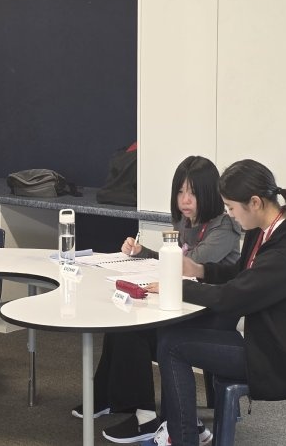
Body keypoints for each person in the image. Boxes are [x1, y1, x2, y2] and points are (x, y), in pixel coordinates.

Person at [148, 159, 286, 446]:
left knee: (172, 345)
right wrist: (201, 270)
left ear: (254, 202)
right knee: (174, 332)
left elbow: (232, 298)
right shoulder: (267, 228)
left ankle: (184, 438)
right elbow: (245, 275)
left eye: (231, 208)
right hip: (269, 336)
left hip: (279, 357)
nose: (230, 215)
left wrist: (177, 288)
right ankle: (182, 430)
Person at [72, 156, 241, 444]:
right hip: (186, 304)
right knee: (121, 320)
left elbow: (186, 265)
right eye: (180, 191)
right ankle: (107, 397)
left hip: (210, 314)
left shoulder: (222, 228)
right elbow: (172, 262)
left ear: (209, 194)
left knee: (133, 328)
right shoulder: (187, 222)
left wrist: (156, 259)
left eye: (193, 193)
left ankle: (146, 416)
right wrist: (143, 253)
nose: (185, 200)